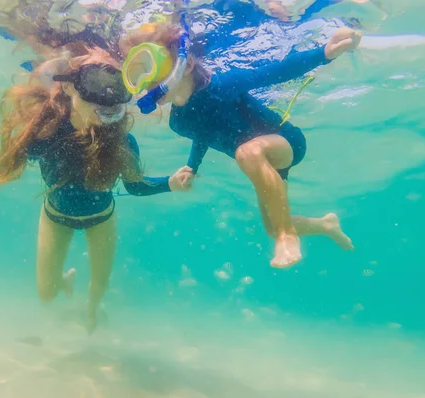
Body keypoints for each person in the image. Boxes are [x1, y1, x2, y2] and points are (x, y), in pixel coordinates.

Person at [0, 44, 192, 333]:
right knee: (46, 295)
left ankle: (92, 313)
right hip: (55, 217)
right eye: (93, 91)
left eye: (112, 95)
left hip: (102, 219)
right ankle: (65, 282)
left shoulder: (121, 140)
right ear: (68, 85)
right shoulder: (45, 133)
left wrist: (169, 184)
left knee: (98, 287)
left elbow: (134, 187)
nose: (102, 106)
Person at [120, 22, 360, 268]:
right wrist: (192, 166)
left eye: (151, 70)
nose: (146, 85)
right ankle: (326, 225)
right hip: (261, 163)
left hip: (287, 142)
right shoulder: (178, 123)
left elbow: (276, 71)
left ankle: (287, 236)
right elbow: (203, 132)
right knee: (270, 226)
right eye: (137, 75)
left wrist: (325, 53)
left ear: (187, 65)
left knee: (247, 153)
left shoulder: (225, 84)